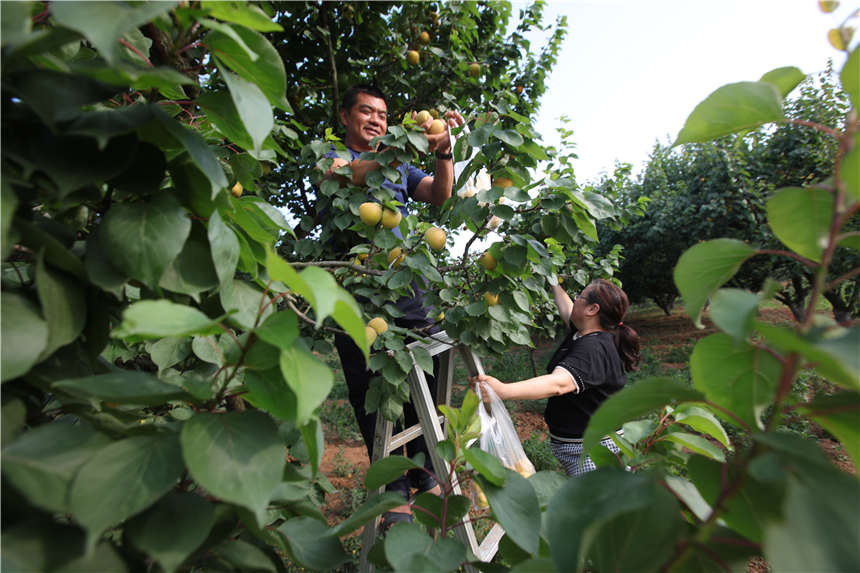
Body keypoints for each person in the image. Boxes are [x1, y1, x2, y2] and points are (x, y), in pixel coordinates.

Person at [324, 85, 464, 530]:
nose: (376, 120)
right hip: (357, 302)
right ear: (346, 116)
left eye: (383, 115)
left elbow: (440, 195)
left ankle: (425, 474)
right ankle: (394, 492)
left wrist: (442, 151)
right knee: (370, 393)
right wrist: (400, 148)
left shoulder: (399, 163)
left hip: (408, 293)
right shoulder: (332, 155)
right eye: (366, 111)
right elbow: (345, 177)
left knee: (418, 389)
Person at [471, 279, 641, 477]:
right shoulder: (585, 333)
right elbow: (568, 309)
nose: (575, 299)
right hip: (586, 447)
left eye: (580, 296)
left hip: (592, 453)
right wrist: (552, 280)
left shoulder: (592, 349)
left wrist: (503, 391)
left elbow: (558, 384)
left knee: (594, 505)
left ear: (592, 309)